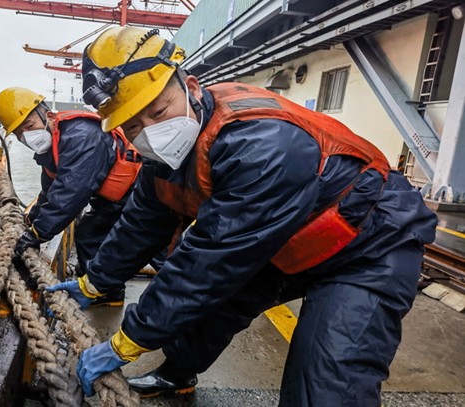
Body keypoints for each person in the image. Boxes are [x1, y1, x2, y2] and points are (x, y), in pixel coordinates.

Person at [51, 27, 438, 405]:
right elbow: (140, 224)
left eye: (159, 110)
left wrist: (126, 343)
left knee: (325, 384)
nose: (152, 130)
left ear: (192, 87)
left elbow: (208, 262)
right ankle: (175, 375)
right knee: (208, 312)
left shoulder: (259, 145)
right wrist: (93, 283)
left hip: (366, 243)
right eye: (134, 125)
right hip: (284, 244)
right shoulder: (164, 161)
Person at [0, 87, 152, 306]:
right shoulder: (53, 145)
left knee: (154, 245)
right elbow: (51, 191)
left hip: (139, 193)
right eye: (20, 133)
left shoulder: (82, 135)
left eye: (29, 126)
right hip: (111, 199)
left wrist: (37, 234)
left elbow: (71, 193)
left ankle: (188, 298)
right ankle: (107, 292)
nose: (27, 136)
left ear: (48, 115)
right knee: (89, 234)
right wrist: (32, 219)